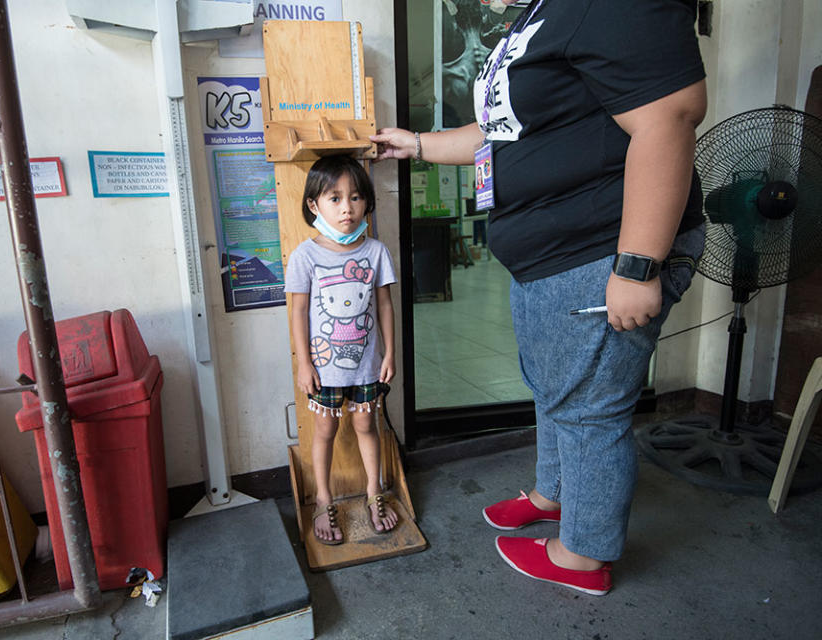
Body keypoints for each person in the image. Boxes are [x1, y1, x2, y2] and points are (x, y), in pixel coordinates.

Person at [370, 0, 707, 595]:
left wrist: (636, 266)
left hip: (599, 249)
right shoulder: (538, 15)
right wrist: (417, 145)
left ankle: (583, 555)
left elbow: (669, 117)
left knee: (590, 408)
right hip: (552, 253)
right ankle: (554, 496)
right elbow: (499, 132)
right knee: (554, 387)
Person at [283, 154, 399, 545]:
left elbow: (384, 304)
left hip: (366, 367)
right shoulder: (305, 256)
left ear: (367, 201)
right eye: (334, 198)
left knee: (368, 425)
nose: (346, 208)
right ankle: (323, 500)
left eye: (354, 197)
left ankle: (374, 493)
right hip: (324, 371)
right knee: (326, 430)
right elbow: (297, 311)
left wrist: (389, 354)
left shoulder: (376, 252)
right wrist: (304, 364)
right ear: (314, 205)